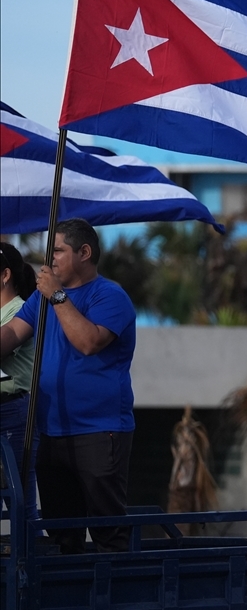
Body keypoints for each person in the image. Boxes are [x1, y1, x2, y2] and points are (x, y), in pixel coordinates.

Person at [0, 219, 137, 554]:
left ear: (84, 252)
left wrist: (58, 296)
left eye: (58, 251)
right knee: (63, 534)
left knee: (107, 533)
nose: (50, 260)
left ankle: (110, 600)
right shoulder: (41, 300)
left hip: (99, 431)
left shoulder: (110, 296)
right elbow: (12, 335)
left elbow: (88, 342)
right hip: (52, 432)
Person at [0, 242, 39, 521]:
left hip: (12, 410)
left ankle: (26, 564)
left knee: (19, 502)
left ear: (5, 276)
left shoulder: (19, 310)